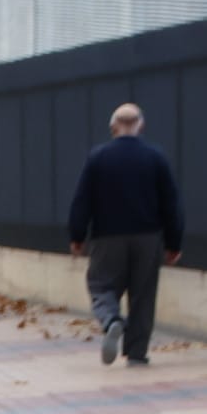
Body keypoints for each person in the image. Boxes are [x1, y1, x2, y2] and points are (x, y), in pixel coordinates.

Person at [68, 103, 184, 366]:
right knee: (143, 296)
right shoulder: (156, 157)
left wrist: (77, 236)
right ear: (140, 126)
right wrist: (174, 242)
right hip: (149, 238)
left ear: (113, 127)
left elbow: (82, 200)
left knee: (101, 286)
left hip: (107, 237)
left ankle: (111, 320)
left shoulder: (98, 157)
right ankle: (137, 354)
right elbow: (171, 203)